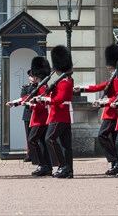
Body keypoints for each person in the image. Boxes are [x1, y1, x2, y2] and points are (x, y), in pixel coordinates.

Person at [74, 43, 118, 175]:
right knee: (111, 138)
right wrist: (84, 89)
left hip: (113, 113)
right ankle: (117, 164)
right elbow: (102, 86)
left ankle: (116, 161)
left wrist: (103, 102)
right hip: (110, 112)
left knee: (102, 135)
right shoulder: (114, 76)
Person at [7, 56, 53, 177]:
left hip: (41, 119)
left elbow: (42, 104)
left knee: (32, 140)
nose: (32, 77)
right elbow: (28, 97)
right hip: (38, 118)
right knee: (42, 142)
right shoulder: (39, 86)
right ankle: (47, 167)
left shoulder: (43, 87)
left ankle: (42, 165)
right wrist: (15, 103)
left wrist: (29, 105)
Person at [42, 45, 74, 179]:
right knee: (65, 144)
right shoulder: (62, 81)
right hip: (62, 115)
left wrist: (46, 99)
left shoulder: (65, 82)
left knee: (49, 139)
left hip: (59, 115)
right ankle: (68, 170)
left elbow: (59, 99)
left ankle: (63, 166)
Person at [20, 70, 38, 165]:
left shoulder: (40, 87)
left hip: (37, 113)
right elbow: (23, 97)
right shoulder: (26, 87)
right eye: (30, 76)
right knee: (28, 136)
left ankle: (36, 154)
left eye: (33, 76)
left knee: (35, 136)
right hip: (28, 114)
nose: (31, 78)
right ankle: (30, 154)